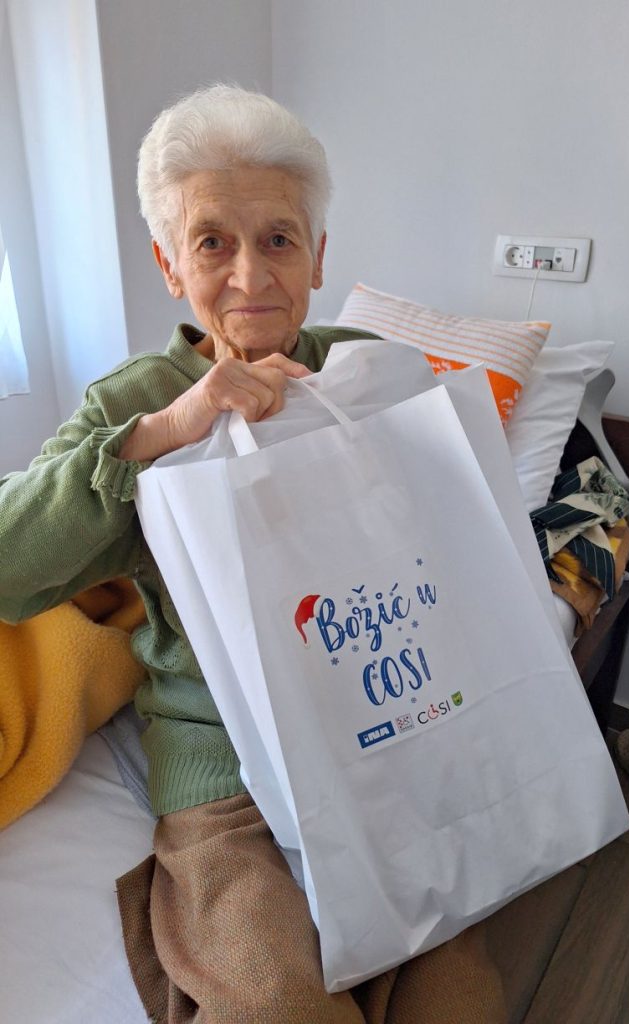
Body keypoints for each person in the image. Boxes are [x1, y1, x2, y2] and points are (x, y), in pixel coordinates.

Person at [0, 85, 506, 1022]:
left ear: (318, 256)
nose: (249, 275)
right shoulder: (133, 400)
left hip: (381, 736)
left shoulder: (366, 369)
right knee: (275, 1001)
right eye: (211, 243)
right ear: (168, 264)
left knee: (456, 997)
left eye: (278, 239)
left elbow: (456, 543)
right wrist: (167, 429)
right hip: (223, 772)